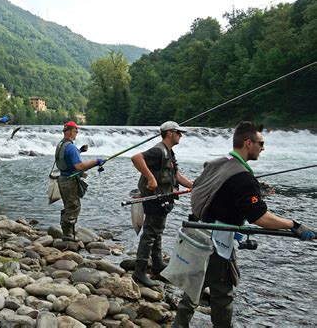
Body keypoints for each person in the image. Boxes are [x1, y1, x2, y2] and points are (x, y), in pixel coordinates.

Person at [172, 121, 315, 328]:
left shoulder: (220, 162)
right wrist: (294, 224)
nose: (263, 148)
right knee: (223, 292)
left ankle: (180, 323)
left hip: (198, 233)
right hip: (218, 240)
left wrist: (256, 191)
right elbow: (260, 218)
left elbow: (210, 188)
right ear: (248, 143)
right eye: (261, 143)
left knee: (197, 280)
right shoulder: (242, 177)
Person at [131, 121, 193, 287]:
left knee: (157, 231)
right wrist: (151, 178)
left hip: (163, 198)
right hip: (153, 198)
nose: (181, 135)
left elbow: (177, 175)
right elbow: (136, 158)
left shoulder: (169, 152)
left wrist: (194, 186)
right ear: (170, 133)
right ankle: (139, 272)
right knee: (150, 234)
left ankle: (157, 265)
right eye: (178, 133)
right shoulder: (158, 151)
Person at [55, 121, 105, 241]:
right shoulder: (71, 147)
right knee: (73, 206)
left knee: (68, 205)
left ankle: (68, 231)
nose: (76, 133)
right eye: (76, 131)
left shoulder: (61, 144)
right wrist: (96, 162)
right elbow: (79, 166)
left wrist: (80, 151)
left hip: (62, 179)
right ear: (72, 131)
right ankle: (68, 235)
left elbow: (66, 157)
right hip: (69, 180)